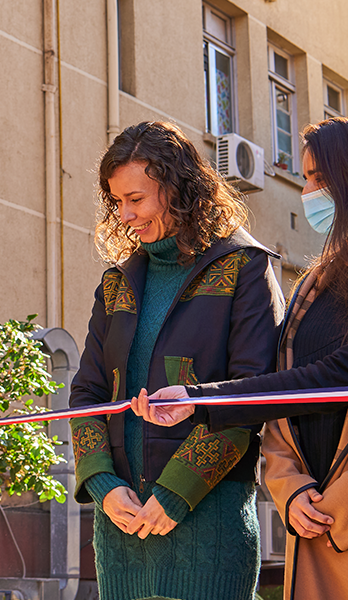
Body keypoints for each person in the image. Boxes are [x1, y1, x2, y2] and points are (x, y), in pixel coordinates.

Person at [132, 117, 348, 600]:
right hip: (313, 522)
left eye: (319, 178)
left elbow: (331, 379)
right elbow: (285, 395)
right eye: (307, 177)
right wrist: (290, 489)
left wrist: (200, 400)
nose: (308, 193)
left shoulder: (248, 267)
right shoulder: (318, 280)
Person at [69, 121, 285, 600]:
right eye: (117, 201)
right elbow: (86, 394)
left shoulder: (246, 266)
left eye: (136, 199)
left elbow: (251, 392)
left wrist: (175, 493)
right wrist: (103, 486)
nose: (125, 214)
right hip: (121, 533)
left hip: (210, 527)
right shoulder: (116, 283)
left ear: (179, 188)